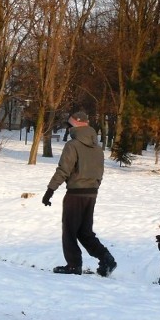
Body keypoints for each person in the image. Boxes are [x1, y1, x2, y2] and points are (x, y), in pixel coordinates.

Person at [42, 111, 117, 277]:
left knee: (69, 230)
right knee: (85, 232)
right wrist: (94, 187)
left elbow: (64, 170)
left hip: (75, 194)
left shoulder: (73, 145)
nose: (68, 128)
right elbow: (100, 172)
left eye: (69, 125)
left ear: (76, 124)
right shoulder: (98, 148)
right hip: (91, 194)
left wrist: (50, 190)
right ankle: (106, 259)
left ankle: (73, 265)